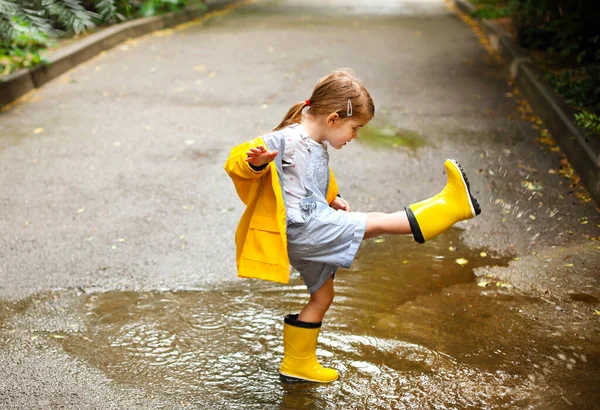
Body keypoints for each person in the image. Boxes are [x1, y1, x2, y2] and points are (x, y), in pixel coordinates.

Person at [224, 69, 481, 383]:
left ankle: (297, 365)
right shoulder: (288, 138)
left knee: (323, 297)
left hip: (308, 225)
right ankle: (451, 205)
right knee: (374, 222)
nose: (354, 136)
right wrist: (257, 162)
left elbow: (307, 183)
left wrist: (333, 198)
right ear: (333, 119)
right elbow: (236, 160)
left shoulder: (315, 141)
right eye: (354, 128)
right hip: (304, 227)